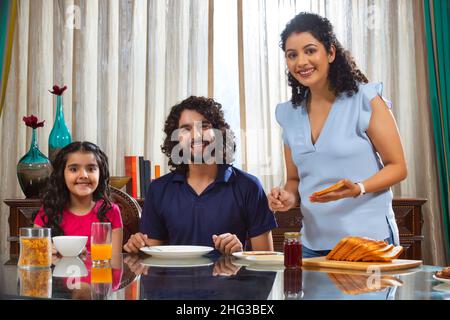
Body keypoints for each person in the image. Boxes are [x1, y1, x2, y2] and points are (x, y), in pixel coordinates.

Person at [268, 13, 407, 258]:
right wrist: (286, 197)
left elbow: (398, 167)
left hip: (367, 243)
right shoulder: (288, 114)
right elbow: (294, 180)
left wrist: (359, 188)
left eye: (310, 50)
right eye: (292, 55)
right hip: (312, 246)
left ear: (330, 53)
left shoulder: (365, 100)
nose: (301, 61)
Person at [124, 96, 277, 255]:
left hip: (231, 279)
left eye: (204, 126)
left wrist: (239, 254)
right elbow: (151, 258)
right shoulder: (158, 189)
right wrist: (137, 248)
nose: (196, 135)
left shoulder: (249, 186)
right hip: (175, 280)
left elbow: (265, 261)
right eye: (186, 129)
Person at [33, 141, 123, 256]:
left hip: (98, 273)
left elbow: (114, 263)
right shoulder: (48, 210)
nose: (83, 175)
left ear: (101, 174)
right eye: (74, 169)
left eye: (91, 169)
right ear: (62, 174)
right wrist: (46, 251)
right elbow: (33, 255)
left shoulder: (111, 211)